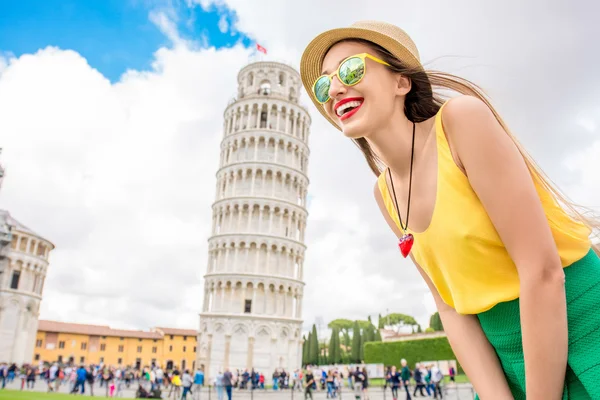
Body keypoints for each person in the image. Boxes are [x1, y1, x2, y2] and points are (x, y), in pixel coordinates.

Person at [300, 20, 600, 400]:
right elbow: (450, 307)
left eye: (351, 69)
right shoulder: (384, 194)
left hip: (585, 327)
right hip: (506, 361)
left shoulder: (461, 121)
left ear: (401, 82)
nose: (335, 89)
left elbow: (542, 271)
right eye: (324, 84)